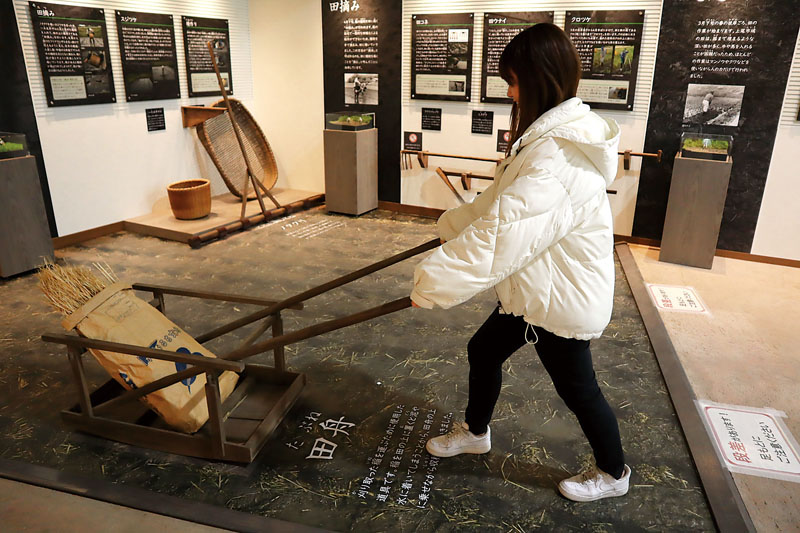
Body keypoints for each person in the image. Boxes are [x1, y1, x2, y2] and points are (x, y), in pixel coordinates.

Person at [410, 23, 630, 503]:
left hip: (560, 299)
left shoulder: (557, 156)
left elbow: (503, 237)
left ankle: (614, 474)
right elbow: (499, 204)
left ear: (539, 79)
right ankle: (475, 431)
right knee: (483, 351)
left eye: (513, 80)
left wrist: (435, 281)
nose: (509, 91)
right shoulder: (546, 140)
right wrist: (453, 224)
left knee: (579, 390)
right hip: (534, 289)